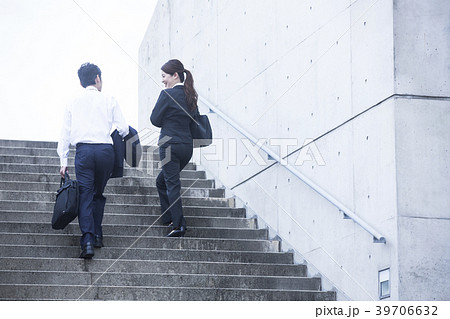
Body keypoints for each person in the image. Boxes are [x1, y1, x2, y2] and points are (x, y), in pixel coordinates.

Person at [57, 62, 129, 258]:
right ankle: (98, 235)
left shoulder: (73, 102)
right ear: (97, 78)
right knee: (98, 193)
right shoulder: (109, 99)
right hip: (106, 152)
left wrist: (63, 161)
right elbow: (123, 129)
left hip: (84, 152)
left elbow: (65, 134)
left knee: (86, 195)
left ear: (81, 82)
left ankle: (87, 240)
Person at [150, 59, 197, 237]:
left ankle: (178, 225)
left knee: (172, 184)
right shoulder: (190, 95)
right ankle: (169, 218)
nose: (162, 80)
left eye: (164, 76)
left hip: (170, 145)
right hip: (186, 147)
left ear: (175, 75)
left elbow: (154, 119)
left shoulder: (167, 95)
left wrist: (166, 119)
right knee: (162, 181)